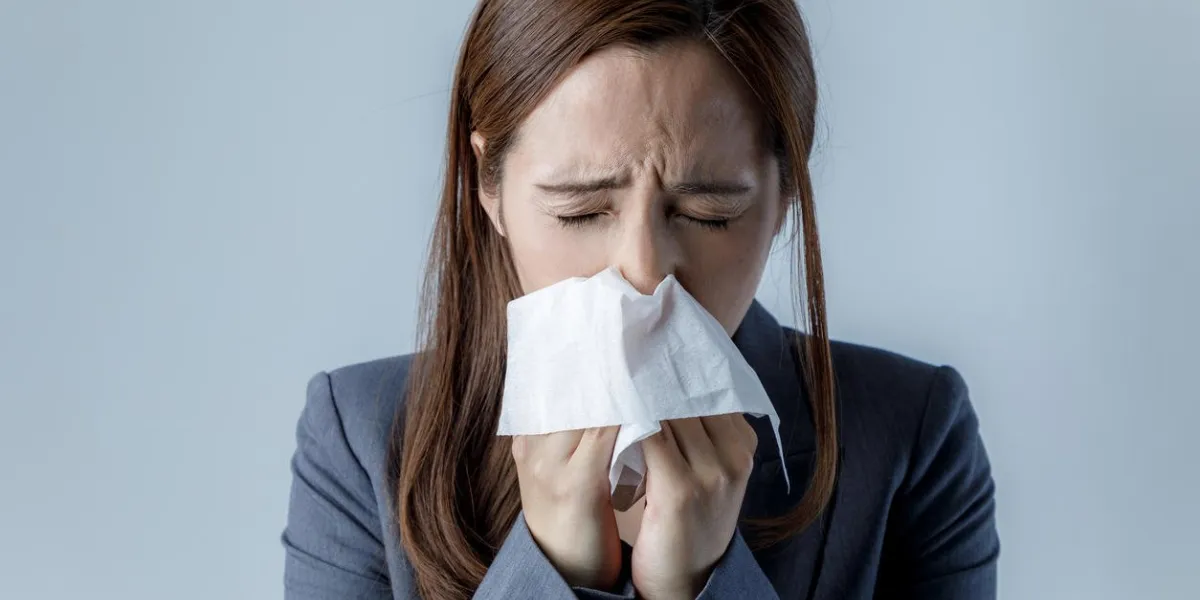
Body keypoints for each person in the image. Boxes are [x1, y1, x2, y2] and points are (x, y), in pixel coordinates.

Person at [281, 0, 1000, 598]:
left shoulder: (912, 435)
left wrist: (701, 583)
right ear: (489, 188)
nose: (644, 273)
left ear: (784, 196)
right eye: (580, 211)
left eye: (707, 213)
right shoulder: (364, 442)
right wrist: (555, 573)